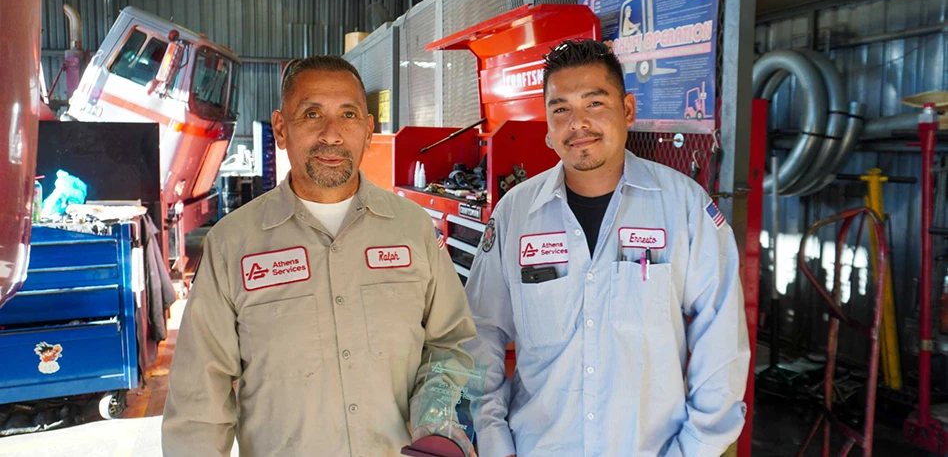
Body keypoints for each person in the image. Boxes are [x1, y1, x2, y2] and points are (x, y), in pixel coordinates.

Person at [162, 56, 477, 457]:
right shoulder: (232, 244)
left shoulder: (412, 229)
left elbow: (449, 342)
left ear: (367, 130)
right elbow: (199, 401)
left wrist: (435, 418)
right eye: (312, 114)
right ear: (281, 128)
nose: (332, 134)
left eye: (348, 115)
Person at [464, 39, 750, 457]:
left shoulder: (683, 206)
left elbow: (720, 336)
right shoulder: (515, 214)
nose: (577, 123)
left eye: (594, 103)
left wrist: (697, 447)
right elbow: (481, 330)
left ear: (628, 110)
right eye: (560, 109)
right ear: (546, 125)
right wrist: (492, 438)